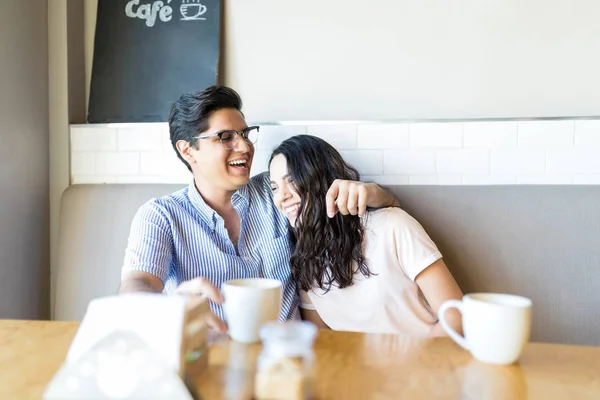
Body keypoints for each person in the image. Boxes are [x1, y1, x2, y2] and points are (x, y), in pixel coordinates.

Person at [118, 86, 398, 332]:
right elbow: (136, 285)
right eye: (226, 137)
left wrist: (375, 192)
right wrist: (170, 308)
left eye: (245, 133)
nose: (245, 146)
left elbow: (356, 209)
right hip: (213, 364)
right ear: (188, 150)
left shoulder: (276, 190)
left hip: (287, 362)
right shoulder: (160, 215)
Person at [268, 135, 464, 336]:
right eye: (274, 187)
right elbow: (320, 337)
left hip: (427, 360)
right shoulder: (304, 257)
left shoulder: (392, 226)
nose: (281, 196)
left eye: (292, 181)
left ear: (321, 179)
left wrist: (411, 365)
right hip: (352, 365)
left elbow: (457, 318)